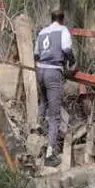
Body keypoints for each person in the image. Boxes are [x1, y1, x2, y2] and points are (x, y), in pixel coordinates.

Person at [34, 9, 75, 167]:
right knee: (55, 115)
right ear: (62, 20)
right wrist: (71, 62)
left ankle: (38, 128)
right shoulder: (63, 30)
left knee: (43, 101)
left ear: (51, 19)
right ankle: (50, 154)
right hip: (53, 72)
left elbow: (36, 54)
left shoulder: (43, 32)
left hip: (40, 70)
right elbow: (66, 49)